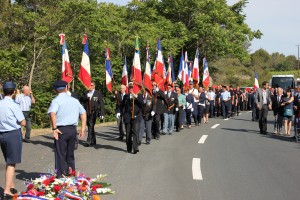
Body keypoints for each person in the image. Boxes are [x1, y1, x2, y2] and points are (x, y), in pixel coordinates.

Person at [48, 80, 86, 177]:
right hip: (72, 130)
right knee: (70, 154)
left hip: (61, 130)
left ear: (55, 90)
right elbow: (83, 112)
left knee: (61, 155)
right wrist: (83, 128)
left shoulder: (56, 100)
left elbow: (52, 112)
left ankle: (61, 176)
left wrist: (54, 128)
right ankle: (71, 174)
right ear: (66, 88)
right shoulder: (74, 100)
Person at [0, 81, 25, 199]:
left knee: (8, 160)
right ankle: (6, 191)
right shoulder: (14, 105)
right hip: (12, 134)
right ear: (14, 92)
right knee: (11, 163)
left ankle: (11, 185)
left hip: (2, 134)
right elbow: (23, 122)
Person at [120, 83, 143, 154]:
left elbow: (142, 104)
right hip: (128, 117)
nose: (131, 89)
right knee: (128, 133)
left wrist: (135, 96)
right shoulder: (126, 96)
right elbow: (121, 105)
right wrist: (119, 112)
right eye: (130, 87)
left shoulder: (139, 95)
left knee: (136, 132)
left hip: (136, 116)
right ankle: (129, 147)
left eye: (132, 87)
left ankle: (135, 147)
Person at [81, 81, 104, 147]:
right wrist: (86, 97)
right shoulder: (85, 92)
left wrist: (102, 113)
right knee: (90, 125)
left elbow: (101, 104)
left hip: (94, 112)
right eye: (89, 85)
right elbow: (81, 99)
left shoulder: (98, 93)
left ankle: (89, 140)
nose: (90, 86)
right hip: (86, 112)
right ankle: (93, 140)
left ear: (94, 86)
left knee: (91, 124)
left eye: (91, 85)